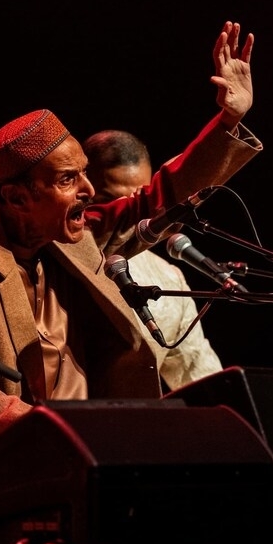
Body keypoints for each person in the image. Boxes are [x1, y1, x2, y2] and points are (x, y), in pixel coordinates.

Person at [0, 20, 260, 486]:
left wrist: (227, 123)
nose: (88, 190)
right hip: (10, 472)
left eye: (83, 173)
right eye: (66, 180)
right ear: (16, 199)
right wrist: (69, 433)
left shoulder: (72, 238)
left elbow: (160, 197)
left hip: (98, 461)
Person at [82, 128, 224, 391]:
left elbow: (200, 379)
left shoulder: (168, 278)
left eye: (136, 201)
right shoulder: (55, 259)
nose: (126, 213)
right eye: (108, 202)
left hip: (139, 428)